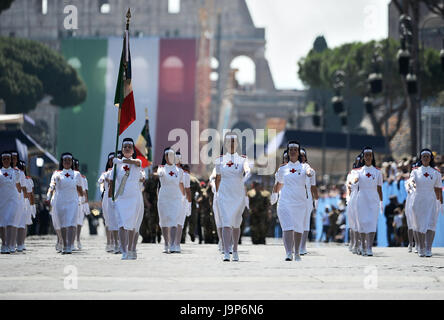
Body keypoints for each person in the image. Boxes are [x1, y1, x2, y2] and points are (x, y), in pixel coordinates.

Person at [270, 141, 314, 261]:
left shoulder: (304, 167)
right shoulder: (283, 168)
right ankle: (288, 253)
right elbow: (279, 184)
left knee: (298, 228)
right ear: (288, 152)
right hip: (285, 202)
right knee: (287, 227)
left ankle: (297, 253)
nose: (293, 151)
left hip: (300, 202)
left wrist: (310, 173)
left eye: (295, 149)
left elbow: (310, 172)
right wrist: (274, 194)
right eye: (291, 150)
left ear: (298, 152)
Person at [215, 132, 251, 262]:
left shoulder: (242, 159)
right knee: (226, 222)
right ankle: (226, 251)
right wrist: (217, 193)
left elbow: (247, 170)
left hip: (237, 193)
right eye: (229, 141)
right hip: (224, 193)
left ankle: (235, 249)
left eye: (233, 141)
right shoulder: (219, 160)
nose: (231, 144)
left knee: (236, 223)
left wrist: (246, 176)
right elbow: (218, 178)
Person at [110, 138, 144, 260]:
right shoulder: (117, 166)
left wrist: (120, 161)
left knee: (131, 225)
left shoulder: (137, 162)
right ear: (122, 149)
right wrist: (111, 199)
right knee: (121, 225)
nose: (127, 148)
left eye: (130, 146)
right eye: (125, 147)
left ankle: (130, 249)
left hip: (133, 198)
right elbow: (111, 181)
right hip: (121, 199)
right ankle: (124, 250)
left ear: (133, 149)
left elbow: (137, 163)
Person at [46, 153, 84, 254]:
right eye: (65, 160)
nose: (67, 162)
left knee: (71, 223)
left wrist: (82, 200)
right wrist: (49, 195)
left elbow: (80, 190)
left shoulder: (76, 174)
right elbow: (52, 186)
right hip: (60, 201)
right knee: (63, 223)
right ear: (62, 162)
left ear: (71, 162)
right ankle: (64, 244)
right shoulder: (57, 174)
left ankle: (70, 245)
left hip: (72, 201)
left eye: (69, 160)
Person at [409, 148, 443, 257]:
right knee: (419, 225)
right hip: (418, 199)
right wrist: (412, 184)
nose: (425, 158)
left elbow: (438, 189)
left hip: (431, 200)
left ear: (430, 158)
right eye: (423, 156)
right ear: (421, 158)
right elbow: (411, 181)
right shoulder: (415, 171)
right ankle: (421, 247)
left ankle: (428, 248)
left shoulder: (436, 172)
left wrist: (440, 204)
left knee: (430, 225)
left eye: (427, 156)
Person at [352, 147, 383, 257]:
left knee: (372, 222)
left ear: (372, 156)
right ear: (363, 157)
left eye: (370, 155)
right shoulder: (359, 171)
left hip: (373, 198)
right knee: (362, 222)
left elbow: (379, 188)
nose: (368, 157)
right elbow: (354, 180)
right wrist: (355, 180)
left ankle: (369, 247)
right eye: (366, 155)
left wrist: (381, 201)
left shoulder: (378, 172)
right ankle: (363, 246)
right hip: (362, 198)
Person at [156, 147, 184, 254]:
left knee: (173, 221)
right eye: (168, 156)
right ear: (165, 157)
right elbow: (160, 174)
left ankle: (172, 244)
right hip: (164, 197)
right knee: (163, 221)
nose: (170, 158)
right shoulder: (161, 169)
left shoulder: (180, 171)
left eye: (172, 156)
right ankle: (166, 243)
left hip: (175, 198)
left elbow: (180, 184)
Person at [98, 152, 120, 253]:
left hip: (119, 196)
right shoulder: (105, 173)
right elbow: (101, 182)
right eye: (110, 160)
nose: (112, 161)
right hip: (108, 197)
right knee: (108, 220)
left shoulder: (120, 171)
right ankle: (109, 242)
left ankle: (118, 242)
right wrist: (103, 191)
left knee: (118, 220)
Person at [0, 151, 21, 254]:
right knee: (2, 223)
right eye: (4, 159)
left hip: (12, 200)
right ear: (2, 160)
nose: (6, 161)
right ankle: (3, 244)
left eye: (8, 159)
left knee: (9, 222)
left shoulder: (16, 172)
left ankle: (9, 244)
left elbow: (18, 187)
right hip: (2, 200)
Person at [300, 148, 318, 255]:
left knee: (306, 222)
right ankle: (295, 244)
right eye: (300, 155)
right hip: (295, 197)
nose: (301, 157)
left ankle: (302, 246)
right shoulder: (291, 168)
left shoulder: (311, 170)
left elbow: (313, 187)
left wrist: (316, 199)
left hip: (307, 197)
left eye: (303, 155)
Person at [172, 153, 191, 253]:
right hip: (172, 199)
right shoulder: (169, 171)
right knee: (172, 222)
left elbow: (188, 190)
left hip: (182, 201)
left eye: (179, 158)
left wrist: (189, 204)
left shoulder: (185, 175)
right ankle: (171, 243)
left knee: (180, 223)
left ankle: (177, 243)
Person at [346, 155, 362, 254]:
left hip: (364, 198)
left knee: (362, 222)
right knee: (353, 223)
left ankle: (362, 243)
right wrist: (348, 198)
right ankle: (354, 242)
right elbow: (349, 186)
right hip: (354, 198)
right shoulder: (352, 173)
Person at [74, 159, 90, 250]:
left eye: (76, 166)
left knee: (79, 221)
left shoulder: (82, 177)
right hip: (71, 199)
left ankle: (78, 239)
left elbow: (85, 191)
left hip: (80, 200)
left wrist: (86, 202)